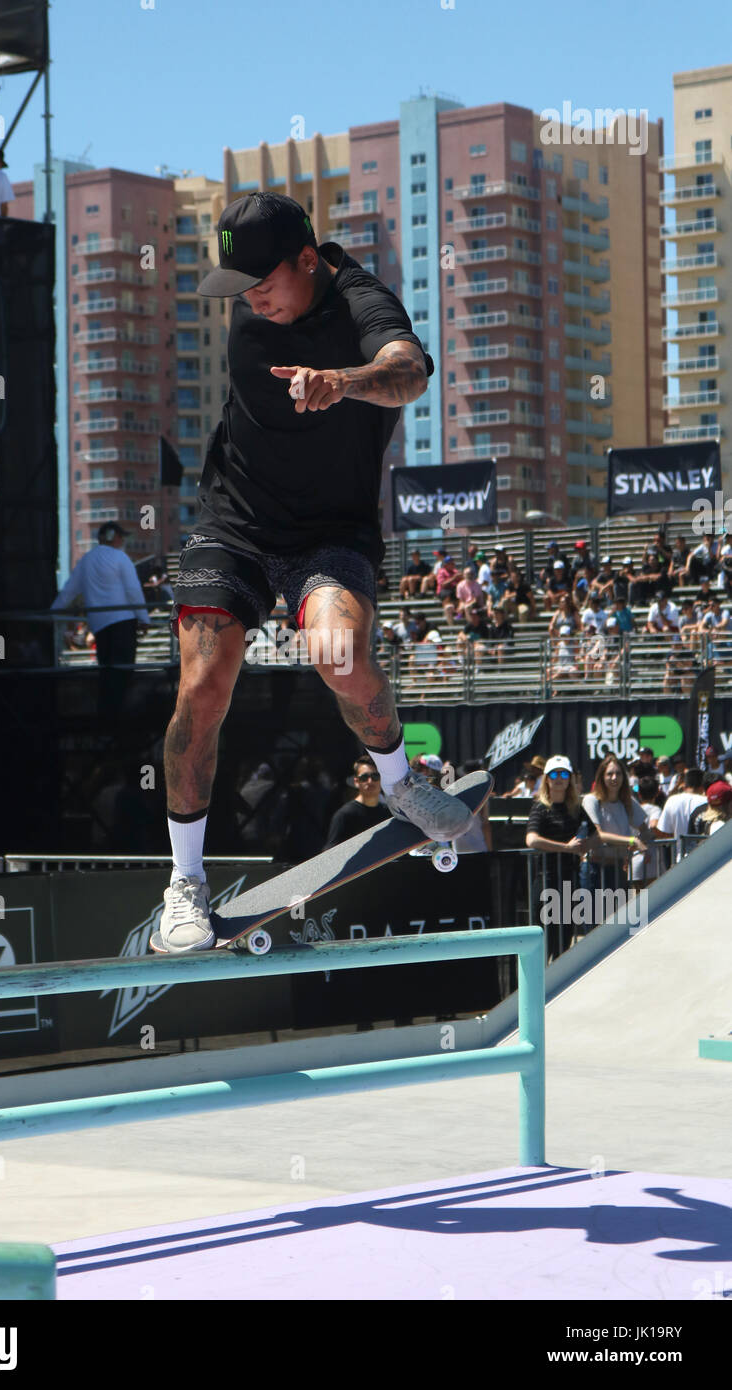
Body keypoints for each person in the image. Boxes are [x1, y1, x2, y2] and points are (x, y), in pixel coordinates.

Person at [158, 191, 475, 951]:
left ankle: (399, 781)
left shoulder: (364, 300)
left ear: (310, 259)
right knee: (202, 687)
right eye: (237, 286)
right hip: (235, 524)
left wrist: (346, 381)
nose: (250, 300)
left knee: (338, 655)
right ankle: (186, 882)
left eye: (263, 281)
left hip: (330, 531)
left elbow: (409, 373)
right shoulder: (252, 320)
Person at [525, 755, 597, 958]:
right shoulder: (540, 807)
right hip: (545, 882)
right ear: (547, 778)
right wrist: (566, 847)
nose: (559, 778)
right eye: (554, 774)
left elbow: (596, 834)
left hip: (568, 883)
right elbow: (531, 840)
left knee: (563, 944)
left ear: (570, 779)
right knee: (541, 945)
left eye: (564, 774)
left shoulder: (575, 808)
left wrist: (583, 848)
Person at [50, 521, 150, 667]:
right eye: (120, 536)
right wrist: (144, 618)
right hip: (124, 623)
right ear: (112, 537)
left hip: (99, 625)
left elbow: (68, 591)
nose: (122, 540)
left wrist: (52, 614)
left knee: (106, 670)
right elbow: (133, 591)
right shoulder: (121, 557)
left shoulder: (86, 559)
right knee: (124, 671)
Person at [580, 754, 651, 899]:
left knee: (618, 919)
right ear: (601, 776)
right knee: (594, 920)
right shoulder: (591, 800)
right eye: (609, 774)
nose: (614, 778)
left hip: (619, 870)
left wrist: (639, 842)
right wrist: (631, 841)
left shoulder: (627, 801)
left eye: (618, 773)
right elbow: (598, 835)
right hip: (595, 870)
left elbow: (646, 832)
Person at [323, 756, 390, 848]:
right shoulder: (344, 815)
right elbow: (331, 853)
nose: (370, 781)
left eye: (375, 776)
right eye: (364, 777)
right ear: (356, 781)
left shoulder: (388, 812)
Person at [651, 767, 707, 863]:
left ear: (685, 785)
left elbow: (663, 831)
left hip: (679, 859)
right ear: (703, 786)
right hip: (703, 858)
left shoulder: (672, 800)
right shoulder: (706, 801)